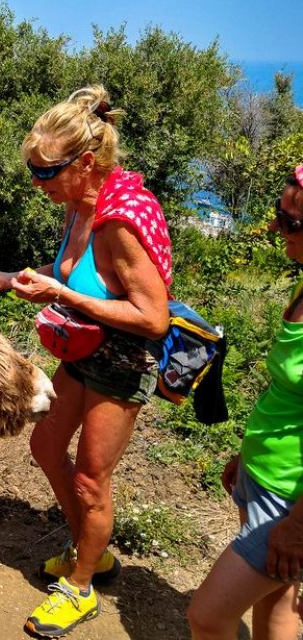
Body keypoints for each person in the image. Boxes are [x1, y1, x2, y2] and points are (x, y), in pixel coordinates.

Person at [0, 85, 172, 637]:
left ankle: (81, 586)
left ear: (84, 164)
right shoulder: (79, 205)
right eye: (32, 170)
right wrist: (9, 279)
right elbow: (76, 278)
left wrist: (62, 295)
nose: (36, 183)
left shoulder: (118, 220)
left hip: (123, 360)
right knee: (45, 445)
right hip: (84, 349)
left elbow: (154, 319)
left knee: (90, 480)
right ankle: (91, 550)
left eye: (45, 172)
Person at [187, 165, 303, 640]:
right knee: (276, 611)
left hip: (290, 499)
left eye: (292, 222)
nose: (277, 227)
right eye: (280, 213)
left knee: (207, 616)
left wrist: (297, 525)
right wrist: (247, 453)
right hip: (265, 474)